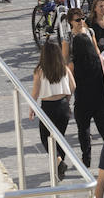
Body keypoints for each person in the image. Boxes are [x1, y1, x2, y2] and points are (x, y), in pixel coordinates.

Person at [67, 8, 104, 167]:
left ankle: (86, 159)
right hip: (101, 100)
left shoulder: (74, 65)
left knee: (84, 130)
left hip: (83, 101)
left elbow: (70, 83)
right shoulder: (98, 61)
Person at [29, 39, 76, 180]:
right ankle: (59, 165)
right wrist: (67, 100)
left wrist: (32, 107)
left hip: (48, 107)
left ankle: (59, 162)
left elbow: (35, 92)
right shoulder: (64, 68)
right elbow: (73, 86)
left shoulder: (40, 71)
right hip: (62, 106)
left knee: (46, 138)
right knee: (60, 137)